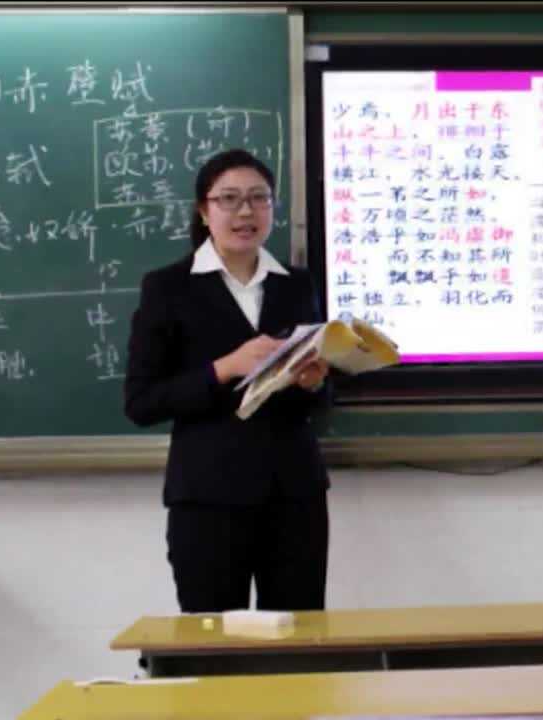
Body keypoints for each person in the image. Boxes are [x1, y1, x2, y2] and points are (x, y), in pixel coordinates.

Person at [124, 148, 332, 613]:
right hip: (208, 497)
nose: (245, 212)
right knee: (214, 639)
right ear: (204, 210)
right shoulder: (168, 288)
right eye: (229, 199)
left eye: (259, 198)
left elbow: (320, 402)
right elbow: (141, 402)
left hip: (294, 494)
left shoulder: (297, 285)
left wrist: (313, 383)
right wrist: (225, 367)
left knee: (299, 637)